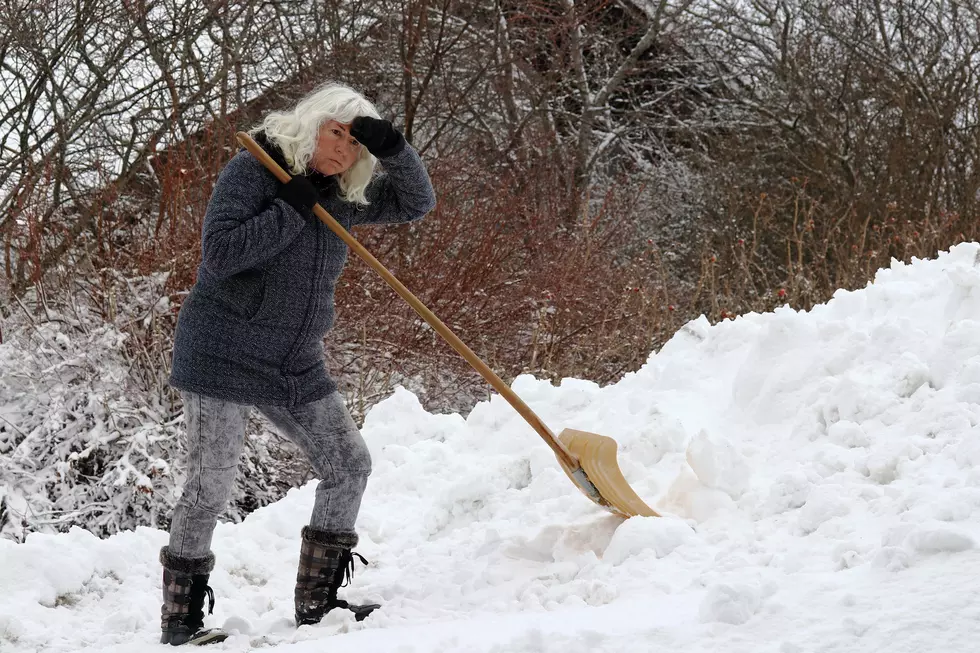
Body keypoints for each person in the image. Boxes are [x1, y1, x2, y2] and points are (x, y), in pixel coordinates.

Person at [158, 82, 436, 646]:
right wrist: (289, 207)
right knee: (211, 481)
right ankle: (180, 622)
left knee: (349, 464)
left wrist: (394, 149)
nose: (343, 149)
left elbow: (416, 203)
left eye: (355, 144)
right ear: (311, 125)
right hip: (222, 352)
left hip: (293, 361)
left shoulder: (342, 196)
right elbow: (222, 255)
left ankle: (319, 602)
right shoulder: (252, 171)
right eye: (337, 133)